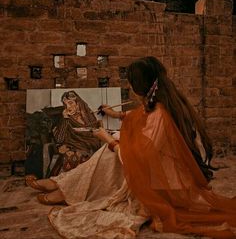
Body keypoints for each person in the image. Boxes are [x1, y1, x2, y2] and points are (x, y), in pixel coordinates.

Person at [26, 57, 236, 238]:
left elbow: (140, 156)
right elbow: (141, 117)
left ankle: (65, 189)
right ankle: (61, 184)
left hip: (168, 184)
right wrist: (116, 116)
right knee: (110, 152)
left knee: (109, 155)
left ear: (138, 86)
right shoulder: (166, 101)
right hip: (167, 169)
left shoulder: (160, 113)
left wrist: (108, 139)